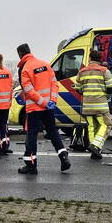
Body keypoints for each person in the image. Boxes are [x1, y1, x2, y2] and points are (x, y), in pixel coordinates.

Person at [16, 43, 71, 175]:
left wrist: (42, 102)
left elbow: (29, 91)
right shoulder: (45, 64)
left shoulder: (25, 69)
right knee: (53, 132)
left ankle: (31, 165)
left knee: (32, 135)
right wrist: (51, 101)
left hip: (35, 108)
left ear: (20, 55)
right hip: (48, 107)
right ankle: (64, 157)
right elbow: (54, 84)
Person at [75, 50, 112, 160]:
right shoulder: (104, 71)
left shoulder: (82, 72)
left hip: (87, 106)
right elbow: (111, 86)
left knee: (92, 127)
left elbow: (78, 88)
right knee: (106, 125)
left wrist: (86, 92)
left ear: (90, 58)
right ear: (100, 59)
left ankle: (94, 152)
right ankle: (96, 146)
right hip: (100, 105)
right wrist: (106, 96)